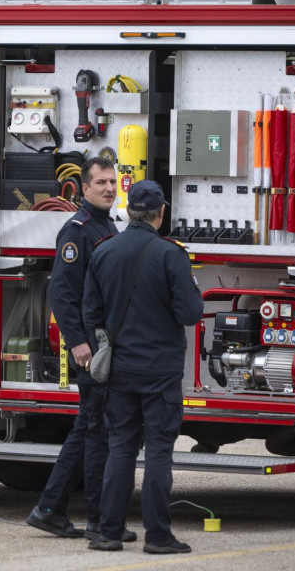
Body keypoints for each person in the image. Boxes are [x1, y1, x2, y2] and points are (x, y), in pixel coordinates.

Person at [82, 179, 203, 554]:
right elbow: (190, 312)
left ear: (128, 209)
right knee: (158, 452)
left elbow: (90, 311)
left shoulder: (105, 250)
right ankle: (158, 536)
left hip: (119, 368)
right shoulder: (171, 254)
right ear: (161, 212)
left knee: (120, 448)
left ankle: (107, 532)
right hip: (160, 372)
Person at [26, 157, 135, 543]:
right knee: (97, 432)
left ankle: (50, 508)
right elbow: (62, 293)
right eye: (100, 183)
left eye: (112, 182)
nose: (109, 188)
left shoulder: (107, 225)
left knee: (88, 427)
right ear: (83, 189)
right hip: (92, 350)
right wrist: (78, 343)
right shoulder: (77, 231)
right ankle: (97, 521)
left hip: (104, 346)